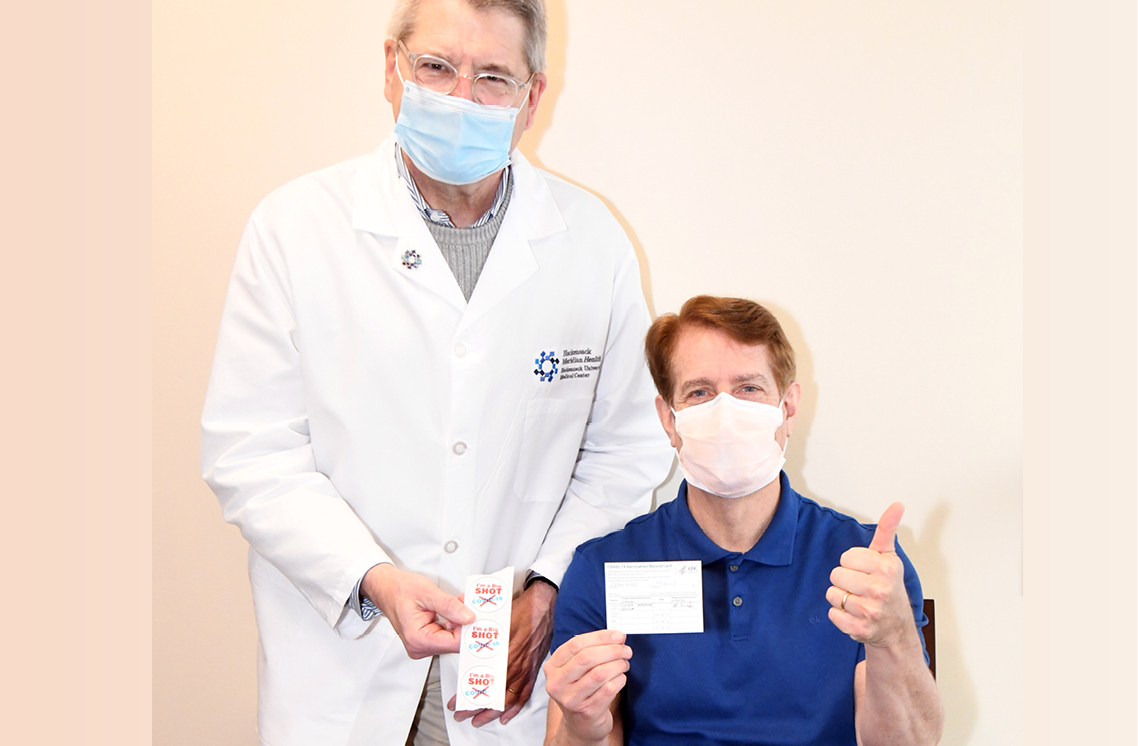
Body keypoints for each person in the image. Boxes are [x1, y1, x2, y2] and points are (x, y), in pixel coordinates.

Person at [199, 1, 674, 744]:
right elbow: (251, 453)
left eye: (493, 77)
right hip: (343, 665)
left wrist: (548, 585)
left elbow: (626, 450)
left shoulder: (591, 243)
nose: (461, 98)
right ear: (391, 68)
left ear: (532, 98)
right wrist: (373, 577)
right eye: (436, 67)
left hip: (514, 674)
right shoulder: (296, 228)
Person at [544, 296, 945, 746]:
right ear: (668, 420)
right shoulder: (602, 567)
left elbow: (907, 743)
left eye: (748, 389)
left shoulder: (867, 566)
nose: (725, 413)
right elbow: (576, 735)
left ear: (788, 408)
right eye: (699, 392)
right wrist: (582, 728)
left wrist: (893, 637)